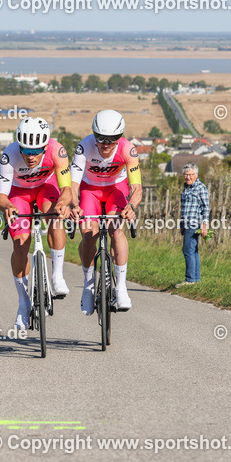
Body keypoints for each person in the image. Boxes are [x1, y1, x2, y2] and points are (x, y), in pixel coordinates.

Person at [0, 117, 73, 329]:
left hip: (45, 187)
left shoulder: (57, 151)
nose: (30, 157)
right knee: (20, 244)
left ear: (45, 146)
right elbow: (0, 197)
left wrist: (64, 204)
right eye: (26, 151)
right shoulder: (9, 156)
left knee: (55, 218)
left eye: (36, 151)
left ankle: (57, 276)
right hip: (19, 193)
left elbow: (66, 190)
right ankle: (23, 302)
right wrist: (8, 207)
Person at [71, 109, 142, 314]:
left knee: (117, 231)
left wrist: (131, 206)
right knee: (88, 235)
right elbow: (74, 183)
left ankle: (121, 287)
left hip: (115, 190)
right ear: (94, 134)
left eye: (112, 139)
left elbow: (136, 187)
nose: (105, 143)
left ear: (120, 137)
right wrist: (74, 205)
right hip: (90, 191)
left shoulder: (128, 150)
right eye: (100, 138)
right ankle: (88, 285)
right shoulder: (84, 147)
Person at [177, 163, 209, 286]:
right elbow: (183, 209)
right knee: (193, 250)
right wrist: (182, 225)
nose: (188, 177)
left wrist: (204, 225)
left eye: (190, 175)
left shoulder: (200, 188)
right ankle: (195, 279)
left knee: (188, 250)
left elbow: (205, 208)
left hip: (194, 223)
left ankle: (190, 279)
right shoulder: (186, 188)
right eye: (186, 175)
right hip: (187, 224)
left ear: (196, 175)